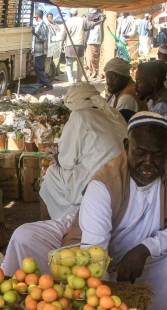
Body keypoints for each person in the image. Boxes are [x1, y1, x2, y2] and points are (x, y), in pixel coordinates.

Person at [4, 112, 167, 310]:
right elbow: (93, 253)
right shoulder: (104, 182)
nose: (149, 162)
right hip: (89, 236)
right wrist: (104, 307)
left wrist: (145, 248)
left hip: (152, 250)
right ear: (127, 146)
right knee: (24, 236)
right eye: (141, 153)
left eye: (157, 154)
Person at [39, 83, 128, 220]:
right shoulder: (113, 112)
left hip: (95, 180)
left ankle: (60, 221)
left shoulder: (79, 116)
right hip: (122, 176)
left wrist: (57, 157)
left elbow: (67, 162)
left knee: (50, 175)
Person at [60, 8, 87, 84]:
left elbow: (64, 35)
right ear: (77, 13)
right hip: (80, 45)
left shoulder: (68, 21)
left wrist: (62, 44)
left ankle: (71, 80)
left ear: (70, 14)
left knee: (69, 64)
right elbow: (88, 26)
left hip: (70, 45)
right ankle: (79, 79)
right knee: (80, 63)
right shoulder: (82, 20)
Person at [31, 10, 53, 92]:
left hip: (41, 52)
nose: (34, 18)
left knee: (38, 69)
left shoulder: (42, 25)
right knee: (40, 68)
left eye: (34, 16)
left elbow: (44, 38)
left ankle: (48, 84)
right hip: (38, 51)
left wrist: (35, 34)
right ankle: (41, 84)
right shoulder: (39, 25)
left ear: (37, 16)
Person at [84, 9, 105, 79]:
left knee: (94, 58)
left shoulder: (100, 20)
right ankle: (90, 71)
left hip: (96, 40)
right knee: (88, 57)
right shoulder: (89, 20)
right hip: (89, 40)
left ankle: (95, 71)